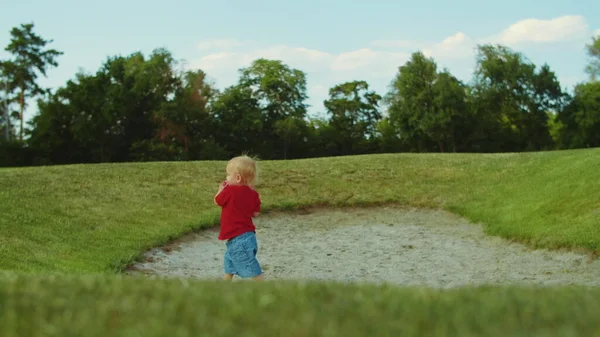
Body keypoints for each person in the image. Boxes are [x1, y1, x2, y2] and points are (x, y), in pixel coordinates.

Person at [214, 155, 264, 281]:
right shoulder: (253, 193)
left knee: (251, 266)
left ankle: (263, 286)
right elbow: (255, 213)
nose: (226, 177)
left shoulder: (229, 190)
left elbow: (217, 201)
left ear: (237, 178)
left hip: (238, 239)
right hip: (246, 237)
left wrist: (220, 190)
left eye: (228, 174)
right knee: (229, 263)